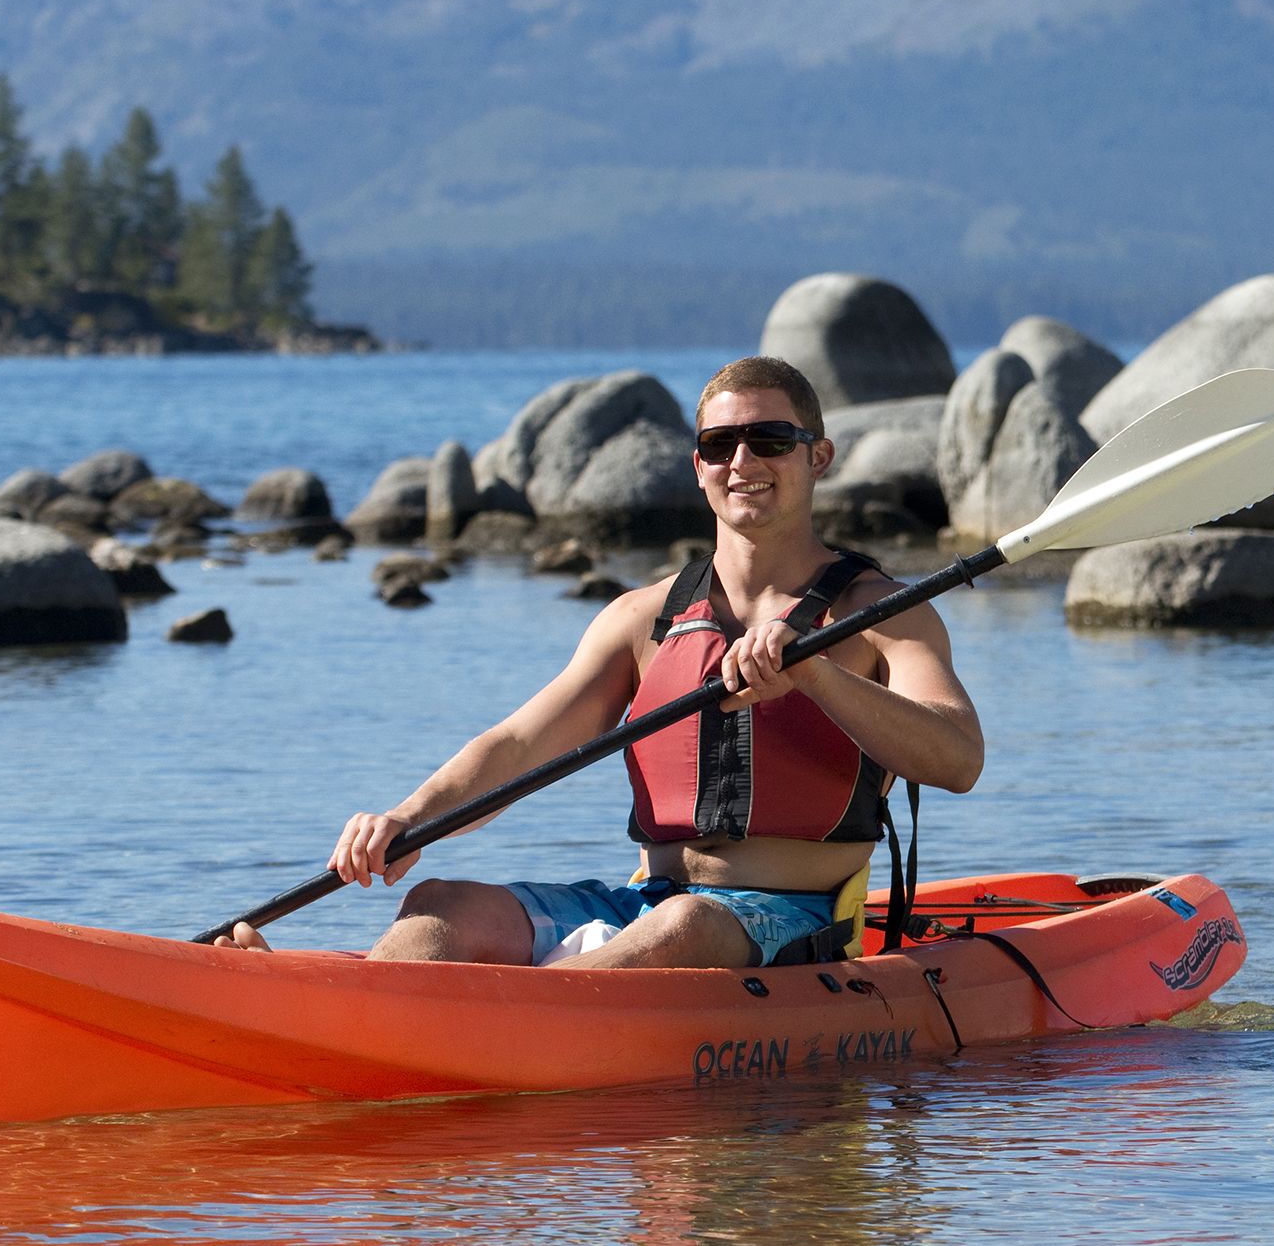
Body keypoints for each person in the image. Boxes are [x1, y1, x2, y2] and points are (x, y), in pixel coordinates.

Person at [216, 356, 984, 970]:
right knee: (443, 903)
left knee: (688, 924)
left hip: (794, 920)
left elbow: (956, 757)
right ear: (698, 467)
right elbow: (519, 747)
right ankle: (348, 1005)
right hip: (643, 904)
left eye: (771, 441)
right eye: (721, 446)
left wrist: (817, 676)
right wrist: (409, 820)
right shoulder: (640, 619)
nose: (743, 460)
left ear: (818, 457)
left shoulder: (882, 614)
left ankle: (485, 1029)